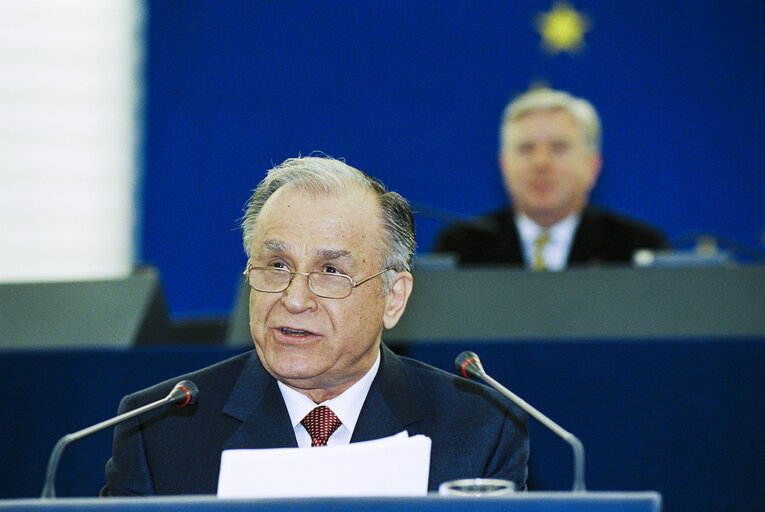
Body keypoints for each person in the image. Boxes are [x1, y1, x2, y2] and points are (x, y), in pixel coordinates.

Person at [101, 156, 528, 496]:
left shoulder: (479, 426)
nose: (295, 298)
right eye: (277, 265)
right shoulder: (161, 428)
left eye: (330, 272)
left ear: (393, 298)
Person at [433, 87, 667, 269]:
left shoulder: (638, 250)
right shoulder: (461, 249)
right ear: (503, 166)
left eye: (558, 148)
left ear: (592, 166)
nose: (541, 163)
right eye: (525, 149)